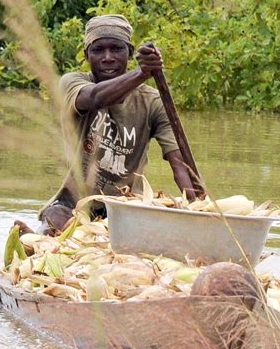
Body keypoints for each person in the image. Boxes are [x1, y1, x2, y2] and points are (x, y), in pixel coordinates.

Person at [28, 14, 195, 235]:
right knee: (53, 220)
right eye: (98, 50)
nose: (108, 57)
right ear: (87, 54)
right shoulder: (72, 83)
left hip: (127, 204)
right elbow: (96, 98)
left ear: (129, 52)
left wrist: (198, 206)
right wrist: (143, 72)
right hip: (74, 203)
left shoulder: (153, 102)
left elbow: (180, 164)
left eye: (116, 49)